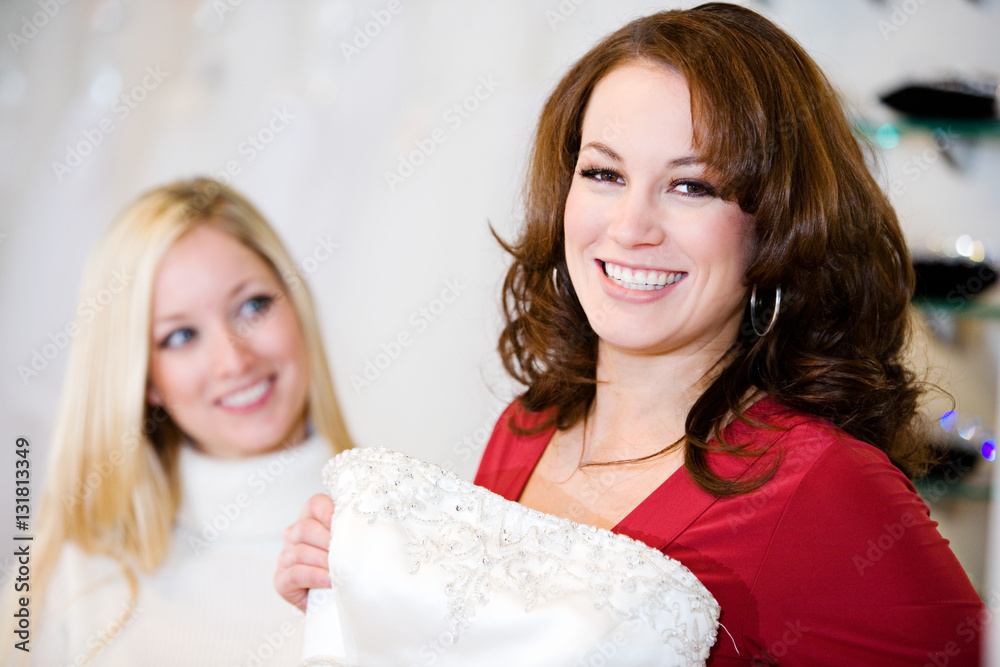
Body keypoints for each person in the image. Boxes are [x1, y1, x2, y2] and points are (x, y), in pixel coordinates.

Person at [276, 4, 985, 665]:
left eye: (690, 186)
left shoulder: (824, 484)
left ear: (778, 225)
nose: (630, 227)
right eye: (604, 173)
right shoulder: (526, 428)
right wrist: (363, 589)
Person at [7, 177, 353, 666]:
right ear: (145, 380)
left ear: (296, 304)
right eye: (181, 335)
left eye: (252, 306)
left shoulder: (411, 537)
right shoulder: (76, 579)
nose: (233, 361)